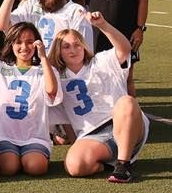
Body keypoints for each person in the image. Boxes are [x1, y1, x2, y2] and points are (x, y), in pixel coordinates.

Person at [51, 12, 149, 183]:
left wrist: (103, 24)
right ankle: (107, 163)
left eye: (77, 44)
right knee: (74, 166)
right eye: (66, 47)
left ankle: (123, 165)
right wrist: (77, 145)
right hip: (93, 135)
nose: (73, 50)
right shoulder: (56, 77)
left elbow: (125, 50)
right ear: (58, 51)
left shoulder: (101, 61)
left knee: (126, 101)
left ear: (84, 46)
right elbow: (65, 118)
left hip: (124, 123)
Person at [0, 21, 61, 177]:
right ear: (10, 45)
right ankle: (16, 156)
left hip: (34, 136)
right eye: (18, 42)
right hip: (4, 135)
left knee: (35, 167)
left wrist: (43, 58)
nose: (24, 47)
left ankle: (33, 156)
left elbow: (51, 91)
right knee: (8, 168)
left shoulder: (44, 70)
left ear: (37, 44)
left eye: (30, 42)